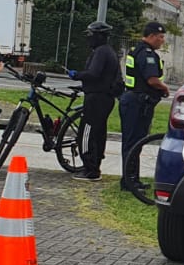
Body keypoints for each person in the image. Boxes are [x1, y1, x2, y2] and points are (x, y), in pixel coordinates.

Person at [118, 21, 170, 190]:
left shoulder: (137, 49)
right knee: (134, 143)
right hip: (137, 102)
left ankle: (131, 179)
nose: (162, 40)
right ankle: (129, 181)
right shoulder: (147, 54)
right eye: (161, 37)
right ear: (152, 36)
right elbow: (152, 80)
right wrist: (164, 88)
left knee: (133, 142)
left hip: (134, 100)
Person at [68, 21, 121, 182]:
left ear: (98, 36)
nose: (89, 38)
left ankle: (90, 169)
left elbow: (94, 74)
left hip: (96, 97)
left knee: (87, 132)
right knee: (98, 133)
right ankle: (95, 165)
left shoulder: (100, 52)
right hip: (106, 98)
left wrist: (77, 75)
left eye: (91, 35)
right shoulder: (109, 52)